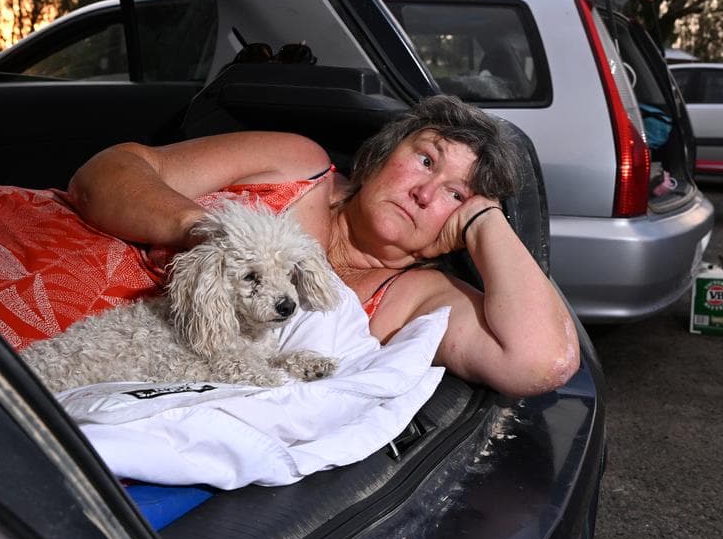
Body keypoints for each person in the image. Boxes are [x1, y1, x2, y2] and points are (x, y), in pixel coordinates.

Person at [66, 95, 583, 397]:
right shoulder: (296, 163)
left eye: (456, 195)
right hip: (16, 254)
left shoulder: (417, 298)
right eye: (427, 159)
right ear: (382, 153)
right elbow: (103, 175)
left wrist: (487, 221)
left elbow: (543, 362)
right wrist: (205, 232)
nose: (426, 193)